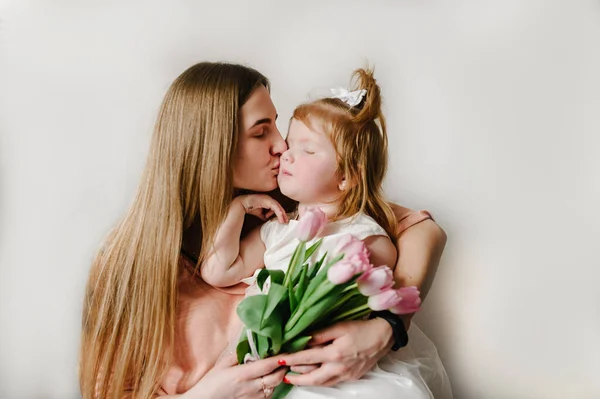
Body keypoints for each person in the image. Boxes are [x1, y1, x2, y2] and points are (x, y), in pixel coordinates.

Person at [79, 62, 450, 399]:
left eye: (277, 125)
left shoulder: (290, 206)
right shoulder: (128, 266)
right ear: (213, 146)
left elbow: (422, 229)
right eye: (261, 132)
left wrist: (387, 326)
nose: (282, 145)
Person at [200, 68, 450, 399]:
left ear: (346, 177)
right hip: (278, 371)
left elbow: (394, 266)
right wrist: (239, 208)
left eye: (307, 149)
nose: (284, 151)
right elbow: (218, 270)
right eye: (288, 140)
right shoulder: (278, 230)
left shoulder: (361, 233)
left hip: (340, 368)